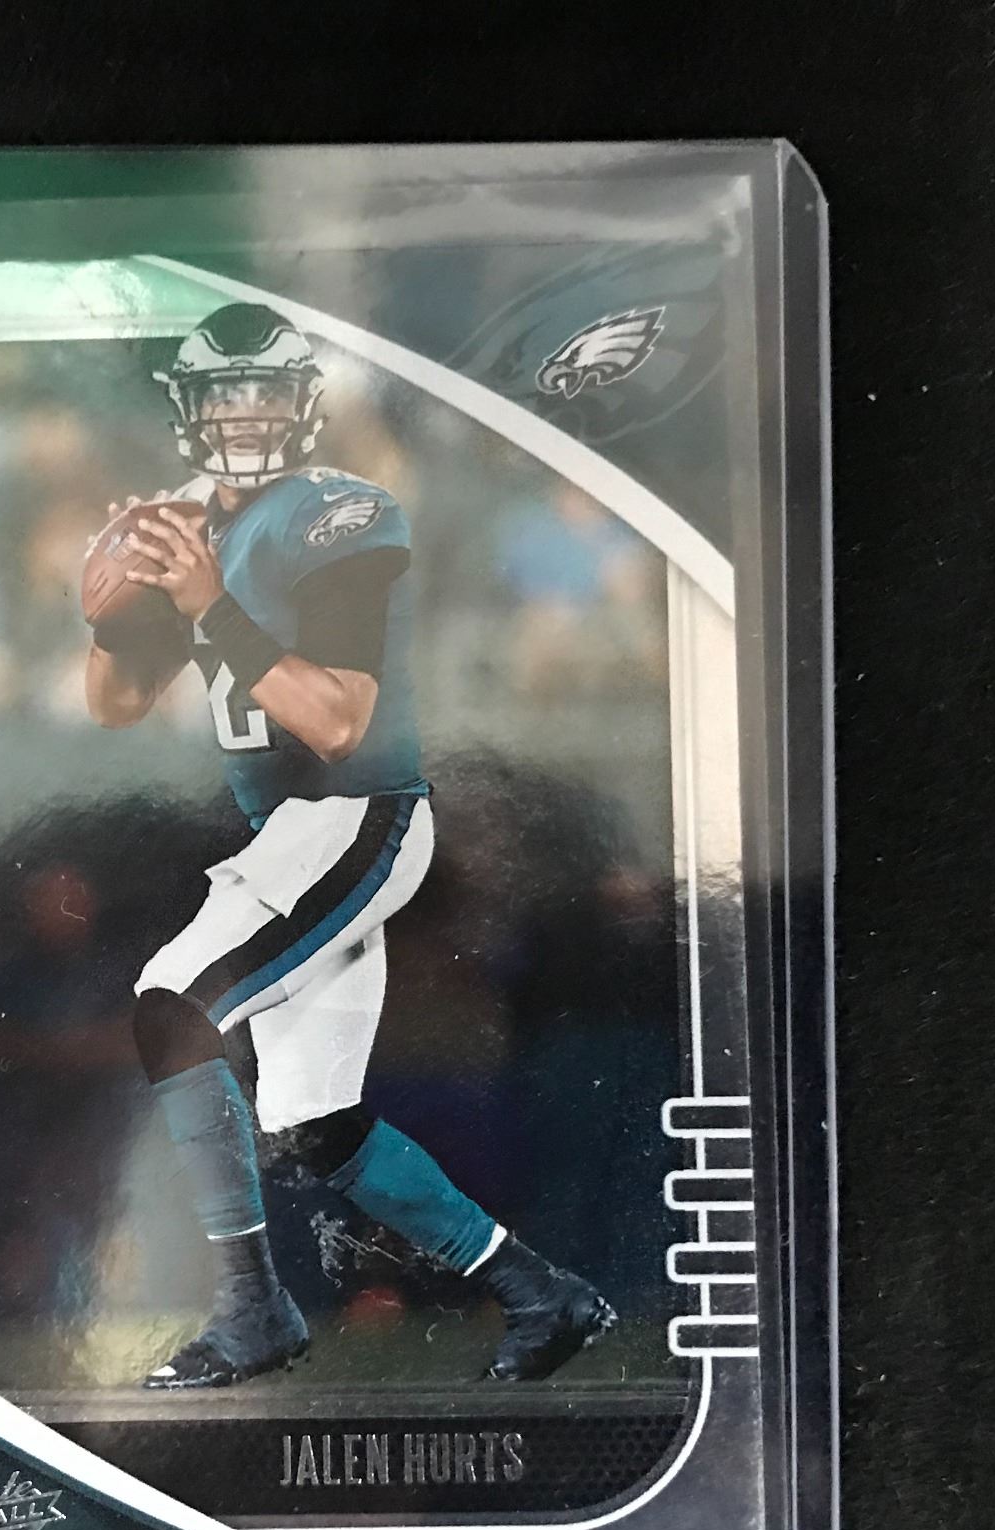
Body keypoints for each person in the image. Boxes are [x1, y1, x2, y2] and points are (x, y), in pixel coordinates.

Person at [84, 302, 614, 1389]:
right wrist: (109, 615)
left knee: (173, 1003)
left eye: (263, 392)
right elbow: (118, 704)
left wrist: (210, 602)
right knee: (313, 1122)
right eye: (223, 394)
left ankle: (252, 1311)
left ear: (302, 406)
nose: (243, 415)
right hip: (291, 833)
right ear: (189, 408)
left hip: (356, 813)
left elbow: (337, 722)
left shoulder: (339, 512)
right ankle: (541, 1292)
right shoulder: (184, 519)